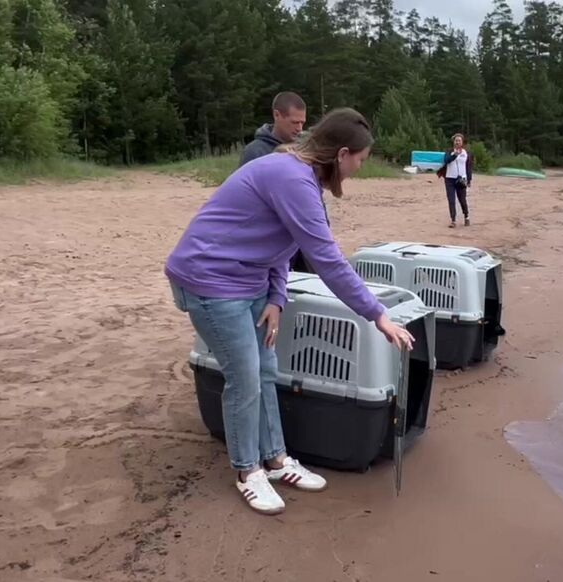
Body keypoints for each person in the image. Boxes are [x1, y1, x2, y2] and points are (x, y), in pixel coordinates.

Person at [165, 108, 416, 515]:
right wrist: (377, 314)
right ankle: (248, 471)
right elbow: (326, 259)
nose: (359, 169)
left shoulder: (303, 179)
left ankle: (277, 460)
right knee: (244, 377)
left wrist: (277, 299)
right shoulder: (292, 177)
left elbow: (285, 244)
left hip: (248, 283)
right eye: (361, 161)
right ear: (342, 154)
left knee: (265, 369)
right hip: (208, 280)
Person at [239, 91, 316, 274]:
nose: (299, 128)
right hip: (269, 243)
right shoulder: (255, 153)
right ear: (277, 115)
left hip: (301, 241)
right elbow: (248, 204)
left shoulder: (305, 150)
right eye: (294, 122)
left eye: (302, 122)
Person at [436, 133, 473, 228]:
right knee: (451, 200)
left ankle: (466, 216)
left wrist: (469, 179)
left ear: (462, 142)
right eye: (456, 140)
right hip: (450, 179)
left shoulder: (466, 153)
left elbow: (469, 167)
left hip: (461, 179)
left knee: (462, 200)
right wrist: (454, 155)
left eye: (459, 140)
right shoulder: (449, 151)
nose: (457, 142)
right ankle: (453, 220)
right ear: (453, 142)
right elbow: (446, 160)